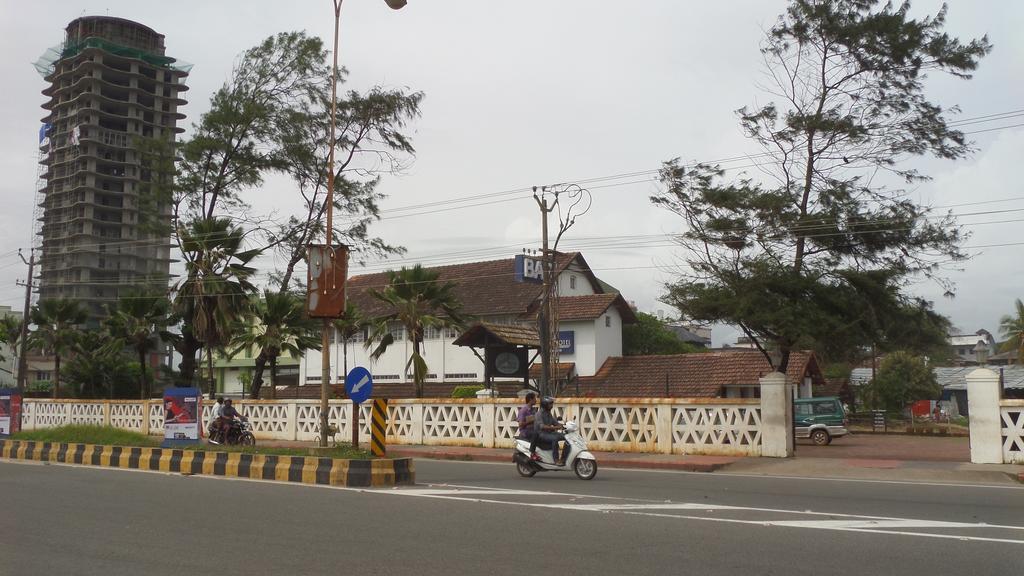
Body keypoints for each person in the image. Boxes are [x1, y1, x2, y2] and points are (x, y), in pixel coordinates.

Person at [533, 396, 569, 466]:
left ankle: (564, 458)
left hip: (549, 433)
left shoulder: (548, 413)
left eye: (551, 404)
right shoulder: (539, 414)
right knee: (554, 439)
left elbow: (554, 422)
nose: (552, 406)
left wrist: (564, 426)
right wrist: (555, 427)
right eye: (550, 404)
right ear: (545, 405)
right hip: (541, 434)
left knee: (568, 437)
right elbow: (542, 426)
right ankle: (556, 460)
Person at [517, 392, 538, 457]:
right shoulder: (523, 410)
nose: (536, 400)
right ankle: (532, 453)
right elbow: (520, 424)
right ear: (530, 399)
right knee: (538, 435)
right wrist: (530, 421)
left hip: (532, 430)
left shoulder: (533, 410)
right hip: (526, 432)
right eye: (534, 399)